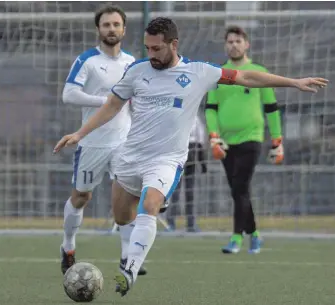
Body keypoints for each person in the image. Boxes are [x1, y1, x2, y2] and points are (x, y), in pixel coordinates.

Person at [53, 17, 327, 296]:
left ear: (173, 44)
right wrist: (80, 133)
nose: (151, 54)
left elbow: (246, 76)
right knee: (123, 217)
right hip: (130, 157)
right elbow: (112, 104)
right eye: (147, 48)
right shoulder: (137, 71)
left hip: (166, 160)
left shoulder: (199, 72)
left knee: (150, 204)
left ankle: (130, 269)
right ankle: (126, 244)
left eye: (157, 48)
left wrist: (293, 82)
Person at [60, 5, 146, 276]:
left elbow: (136, 101)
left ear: (124, 29)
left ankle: (126, 257)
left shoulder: (132, 63)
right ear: (98, 29)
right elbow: (69, 95)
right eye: (106, 25)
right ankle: (68, 245)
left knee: (126, 198)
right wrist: (107, 101)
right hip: (92, 143)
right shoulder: (87, 60)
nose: (111, 29)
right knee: (81, 197)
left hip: (124, 142)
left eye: (116, 24)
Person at [205, 26, 283, 254]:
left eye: (238, 41)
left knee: (240, 186)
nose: (234, 45)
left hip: (252, 138)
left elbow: (271, 108)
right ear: (225, 45)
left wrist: (277, 140)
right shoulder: (218, 74)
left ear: (246, 44)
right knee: (238, 190)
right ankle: (255, 234)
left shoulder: (258, 71)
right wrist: (214, 137)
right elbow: (210, 109)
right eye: (229, 41)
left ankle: (236, 238)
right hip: (225, 142)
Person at [166, 114, 207, 232]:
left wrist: (202, 163)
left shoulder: (196, 119)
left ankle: (191, 224)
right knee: (175, 192)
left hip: (191, 158)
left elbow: (200, 144)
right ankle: (171, 223)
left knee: (190, 193)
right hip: (178, 156)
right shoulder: (177, 116)